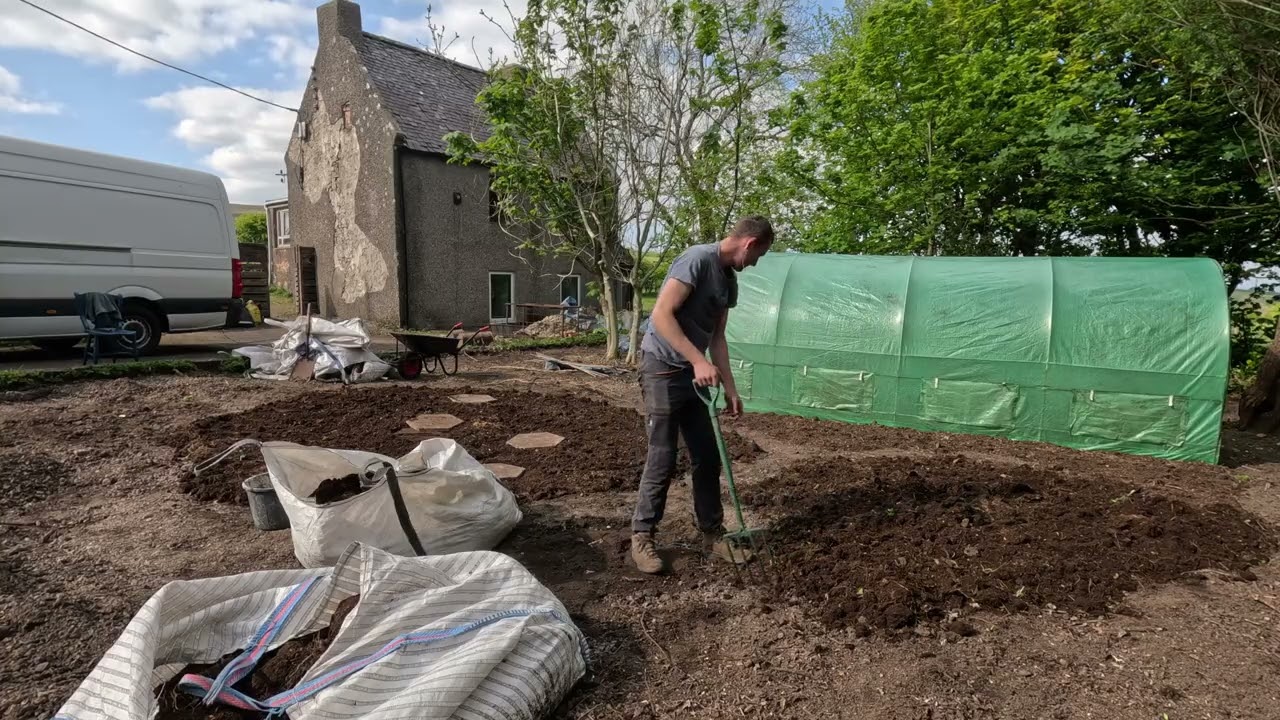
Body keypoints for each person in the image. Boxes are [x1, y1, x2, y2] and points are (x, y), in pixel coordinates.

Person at [630, 216, 775, 574]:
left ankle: (712, 533)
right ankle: (642, 536)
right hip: (663, 367)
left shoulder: (729, 281)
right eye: (758, 255)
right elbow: (661, 315)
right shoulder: (696, 259)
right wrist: (697, 361)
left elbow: (717, 338)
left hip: (694, 374)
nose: (755, 263)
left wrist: (730, 386)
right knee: (663, 457)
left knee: (707, 457)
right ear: (750, 243)